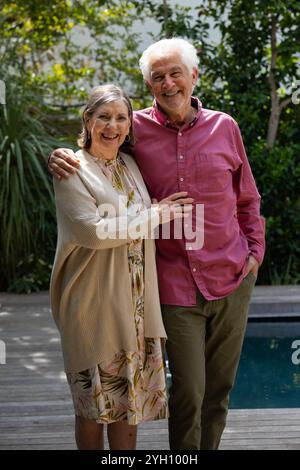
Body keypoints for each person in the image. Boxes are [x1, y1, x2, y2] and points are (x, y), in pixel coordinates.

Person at [48, 38, 265, 450]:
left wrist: (254, 254)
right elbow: (93, 154)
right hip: (172, 288)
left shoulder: (225, 127)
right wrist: (56, 155)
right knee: (188, 394)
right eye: (158, 77)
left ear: (193, 76)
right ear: (149, 85)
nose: (167, 83)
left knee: (217, 393)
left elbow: (248, 199)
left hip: (232, 277)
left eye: (175, 73)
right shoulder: (135, 132)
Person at [50, 83, 193, 450]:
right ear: (88, 119)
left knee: (128, 407)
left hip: (136, 308)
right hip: (92, 306)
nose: (112, 126)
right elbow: (94, 233)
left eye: (120, 118)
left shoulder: (129, 164)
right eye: (104, 117)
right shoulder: (72, 169)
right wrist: (155, 216)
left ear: (130, 124)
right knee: (92, 409)